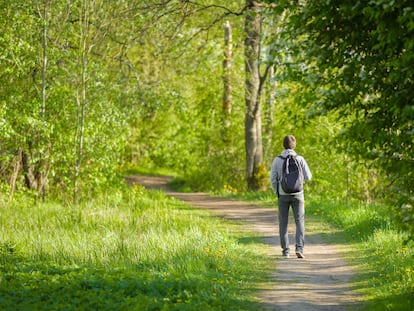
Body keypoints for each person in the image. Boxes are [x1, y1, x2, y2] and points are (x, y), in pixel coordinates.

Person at [270, 135, 312, 259]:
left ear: (283, 145)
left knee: (283, 223)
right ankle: (299, 248)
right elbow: (308, 177)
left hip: (283, 195)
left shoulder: (277, 160)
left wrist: (277, 192)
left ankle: (286, 251)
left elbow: (273, 179)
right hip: (298, 194)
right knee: (300, 221)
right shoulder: (300, 159)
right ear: (295, 145)